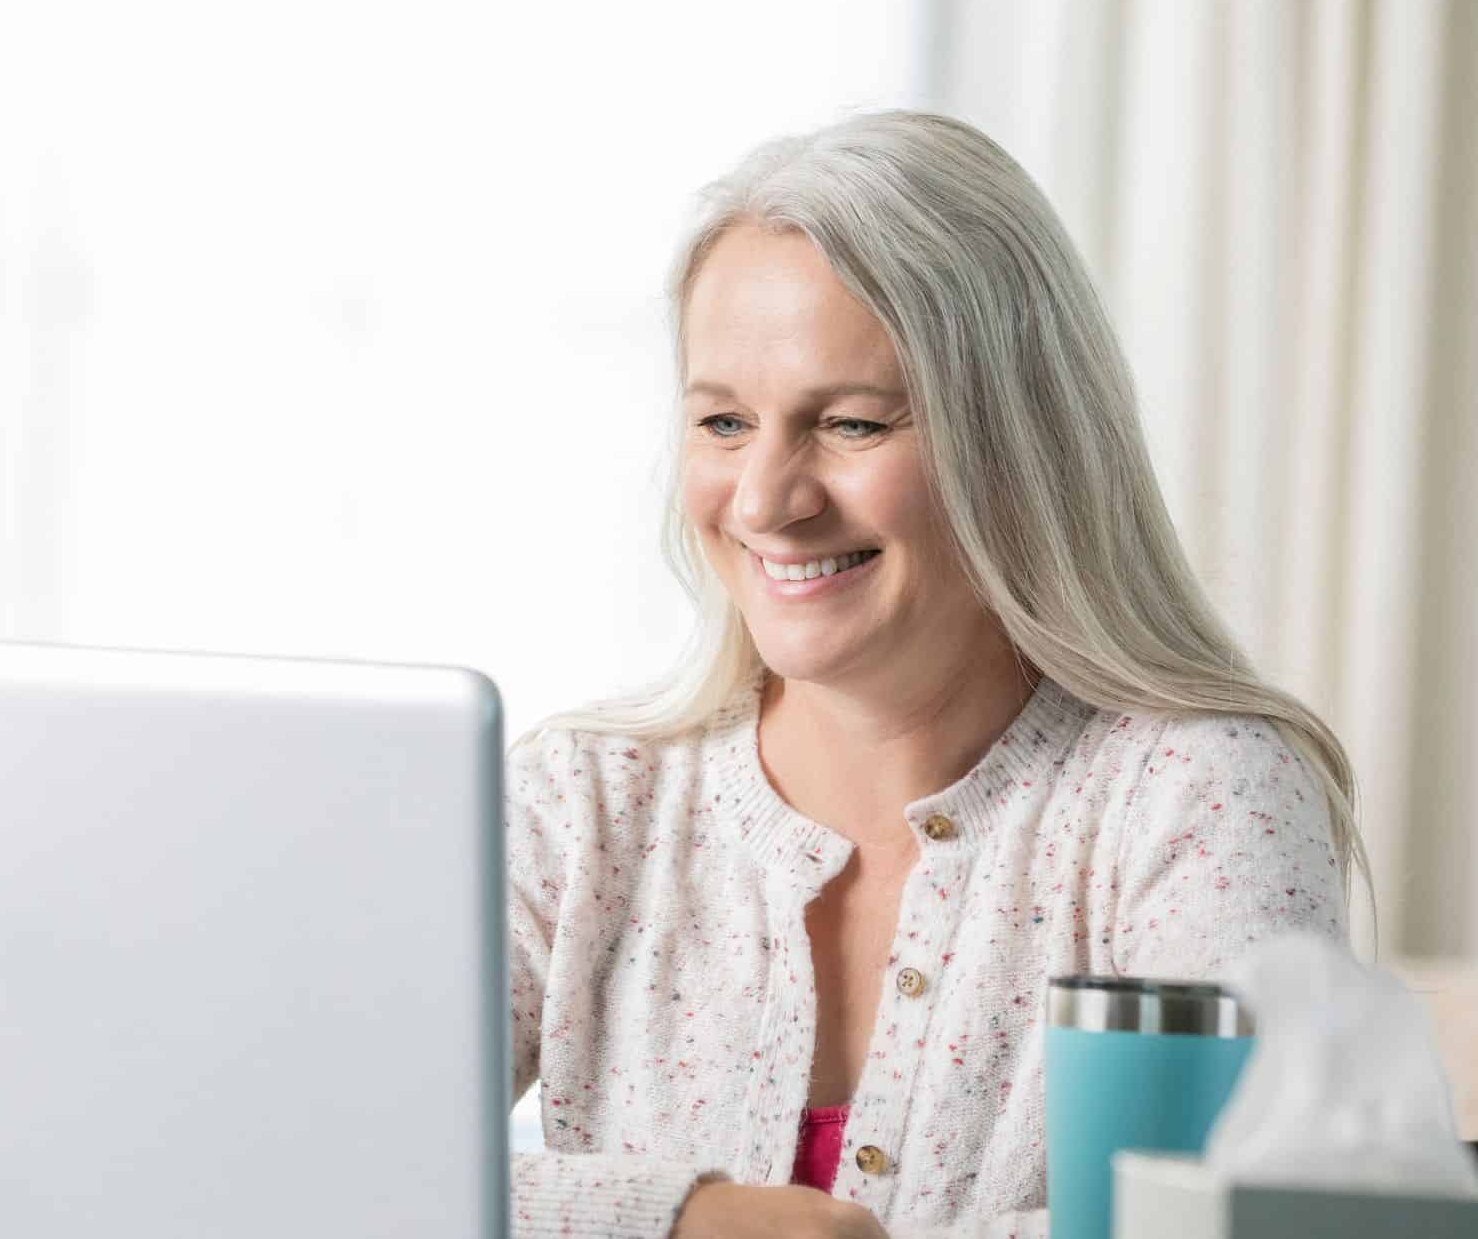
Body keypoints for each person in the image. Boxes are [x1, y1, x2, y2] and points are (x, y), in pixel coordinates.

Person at [504, 110, 1362, 1239]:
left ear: (1020, 440)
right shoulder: (582, 803)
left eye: (851, 425)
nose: (764, 501)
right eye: (722, 422)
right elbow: (287, 1148)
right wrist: (682, 1219)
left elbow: (1254, 1226)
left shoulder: (1198, 798)